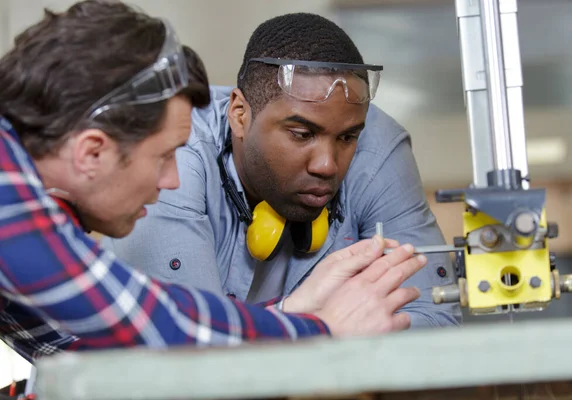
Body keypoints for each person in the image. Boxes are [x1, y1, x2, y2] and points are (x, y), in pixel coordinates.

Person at [0, 0, 429, 366]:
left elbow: (92, 347)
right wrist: (321, 331)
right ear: (92, 151)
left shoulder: (24, 199)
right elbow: (152, 326)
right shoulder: (7, 197)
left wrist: (292, 310)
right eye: (165, 156)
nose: (171, 179)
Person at [105, 12, 462, 328]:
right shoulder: (176, 154)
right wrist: (321, 328)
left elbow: (436, 320)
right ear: (240, 114)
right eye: (301, 134)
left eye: (347, 137)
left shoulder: (379, 146)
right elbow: (190, 346)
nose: (326, 165)